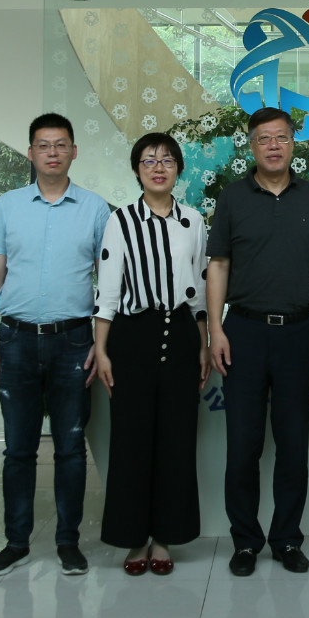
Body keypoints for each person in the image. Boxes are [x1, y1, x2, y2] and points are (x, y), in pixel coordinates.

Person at [0, 113, 111, 578]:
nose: (52, 152)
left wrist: (100, 342)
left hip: (73, 341)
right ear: (31, 151)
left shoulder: (96, 209)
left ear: (74, 151)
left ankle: (67, 542)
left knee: (71, 448)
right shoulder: (8, 206)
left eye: (60, 145)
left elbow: (108, 281)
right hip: (14, 340)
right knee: (18, 448)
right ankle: (16, 542)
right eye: (43, 145)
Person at [206, 106, 309, 577]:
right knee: (243, 444)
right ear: (252, 146)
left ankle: (287, 539)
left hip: (299, 332)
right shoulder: (233, 198)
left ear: (293, 143)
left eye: (281, 137)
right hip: (244, 331)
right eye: (264, 138)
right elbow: (218, 264)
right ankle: (245, 542)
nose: (273, 145)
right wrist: (216, 329)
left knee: (293, 444)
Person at [93, 132, 209, 576]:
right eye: (148, 160)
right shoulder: (120, 221)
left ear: (179, 169)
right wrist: (102, 349)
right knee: (131, 440)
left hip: (180, 334)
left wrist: (203, 343)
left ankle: (165, 537)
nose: (158, 167)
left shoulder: (194, 221)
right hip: (132, 337)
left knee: (177, 440)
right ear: (137, 170)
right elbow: (107, 291)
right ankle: (133, 538)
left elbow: (199, 287)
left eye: (167, 160)